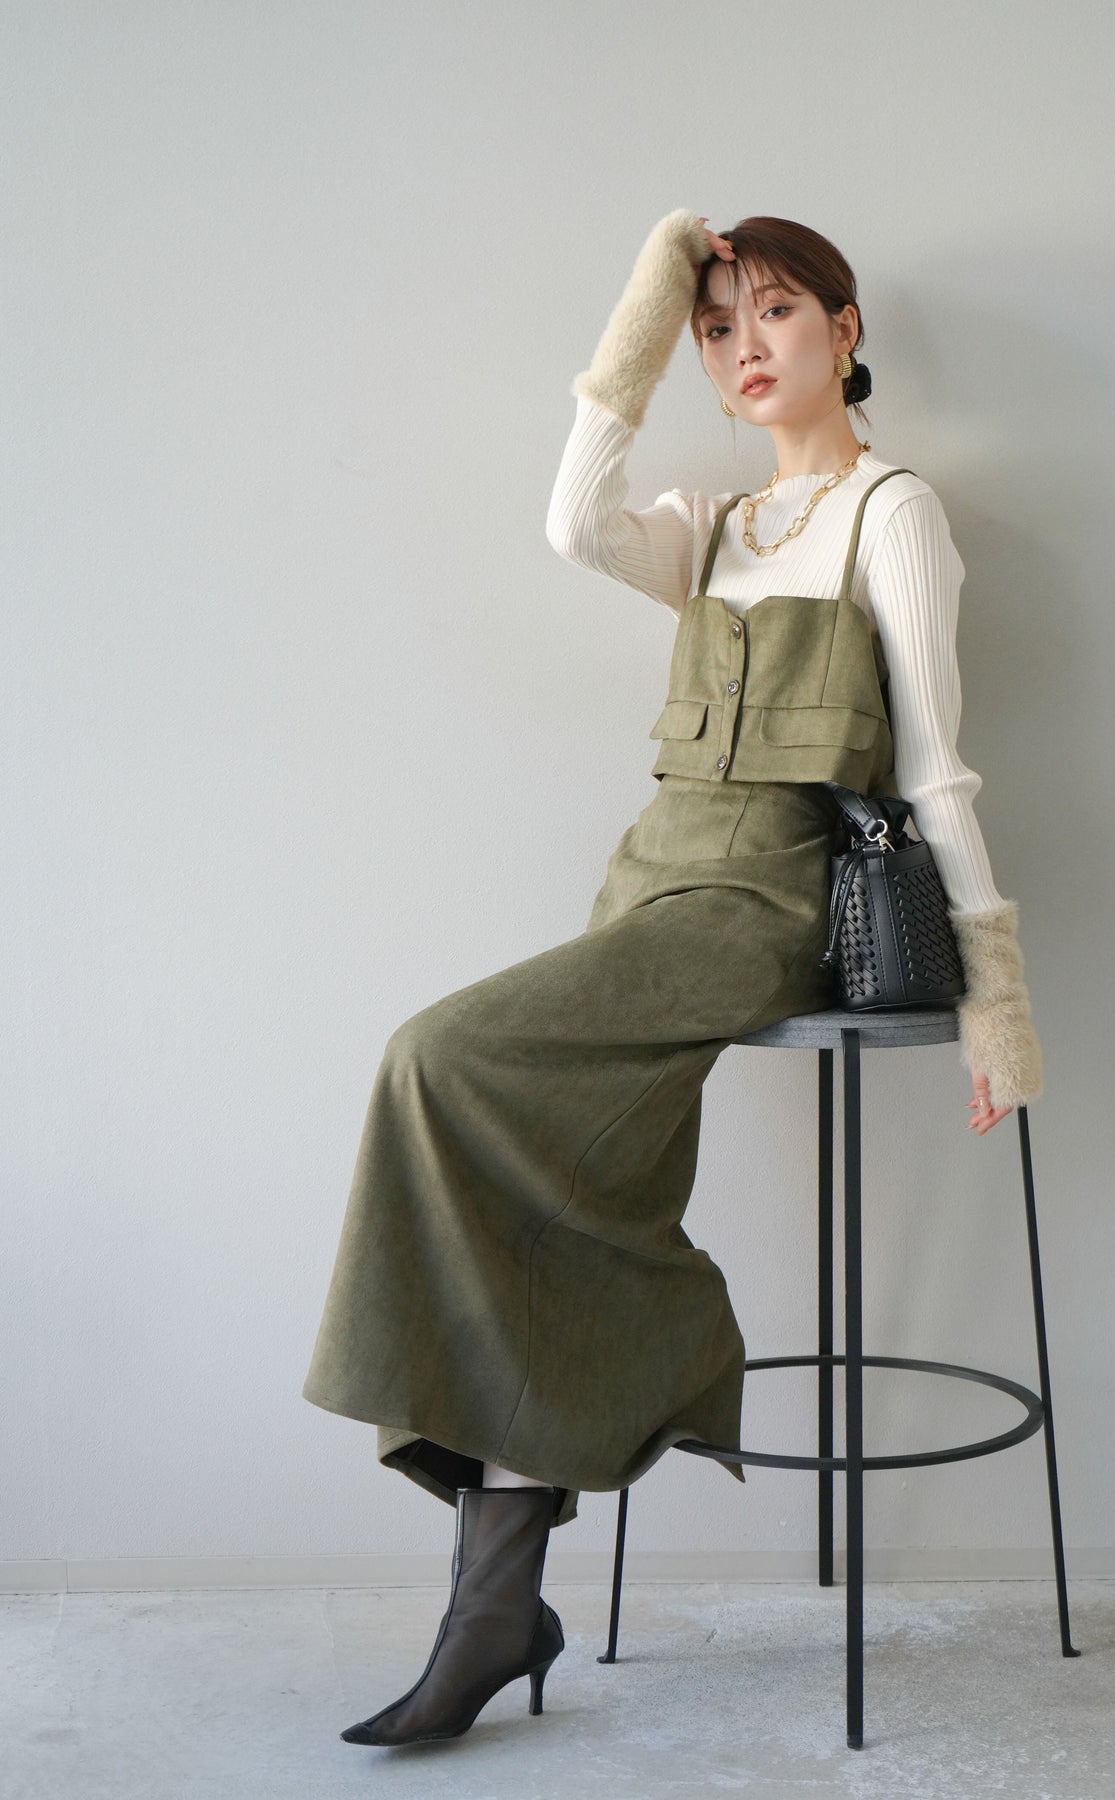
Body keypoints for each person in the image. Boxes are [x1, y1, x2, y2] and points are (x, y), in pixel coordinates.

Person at [302, 207, 1043, 1749]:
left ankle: (665, 1351)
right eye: (716, 328)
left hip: (766, 893)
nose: (743, 346)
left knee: (436, 1054)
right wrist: (643, 306)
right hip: (647, 875)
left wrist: (997, 997)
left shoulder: (891, 513)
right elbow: (574, 524)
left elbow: (933, 769)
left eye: (773, 311)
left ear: (844, 328)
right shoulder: (716, 526)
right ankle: (497, 1606)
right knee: (546, 1172)